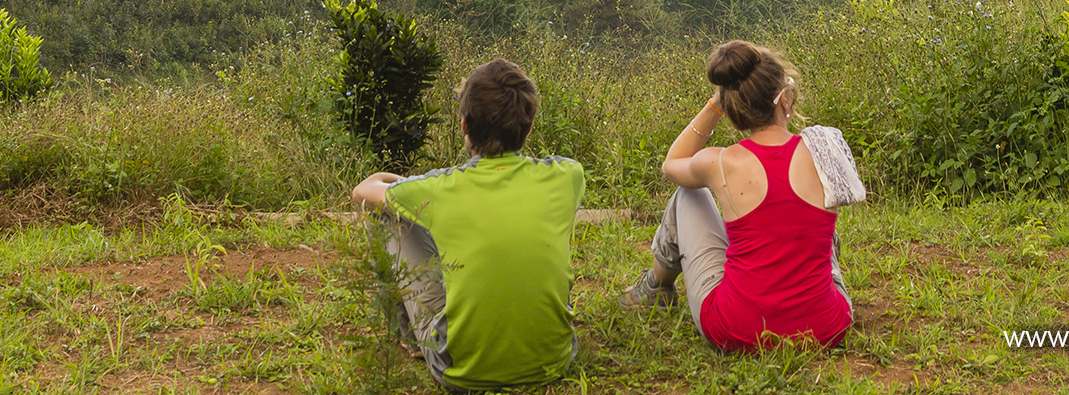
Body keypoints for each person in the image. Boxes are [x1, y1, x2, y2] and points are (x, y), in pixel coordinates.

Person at [351, 58, 586, 392]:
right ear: (529, 126)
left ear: (464, 125)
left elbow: (363, 191)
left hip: (460, 374)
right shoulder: (568, 176)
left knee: (383, 211)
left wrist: (406, 186)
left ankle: (413, 341)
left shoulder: (438, 188)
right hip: (554, 362)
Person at [619, 40, 856, 351]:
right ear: (784, 100)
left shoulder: (719, 162)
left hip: (736, 329)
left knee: (688, 195)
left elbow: (671, 164)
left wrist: (714, 106)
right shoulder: (824, 149)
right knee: (825, 234)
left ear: (733, 113)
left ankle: (655, 288)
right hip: (826, 327)